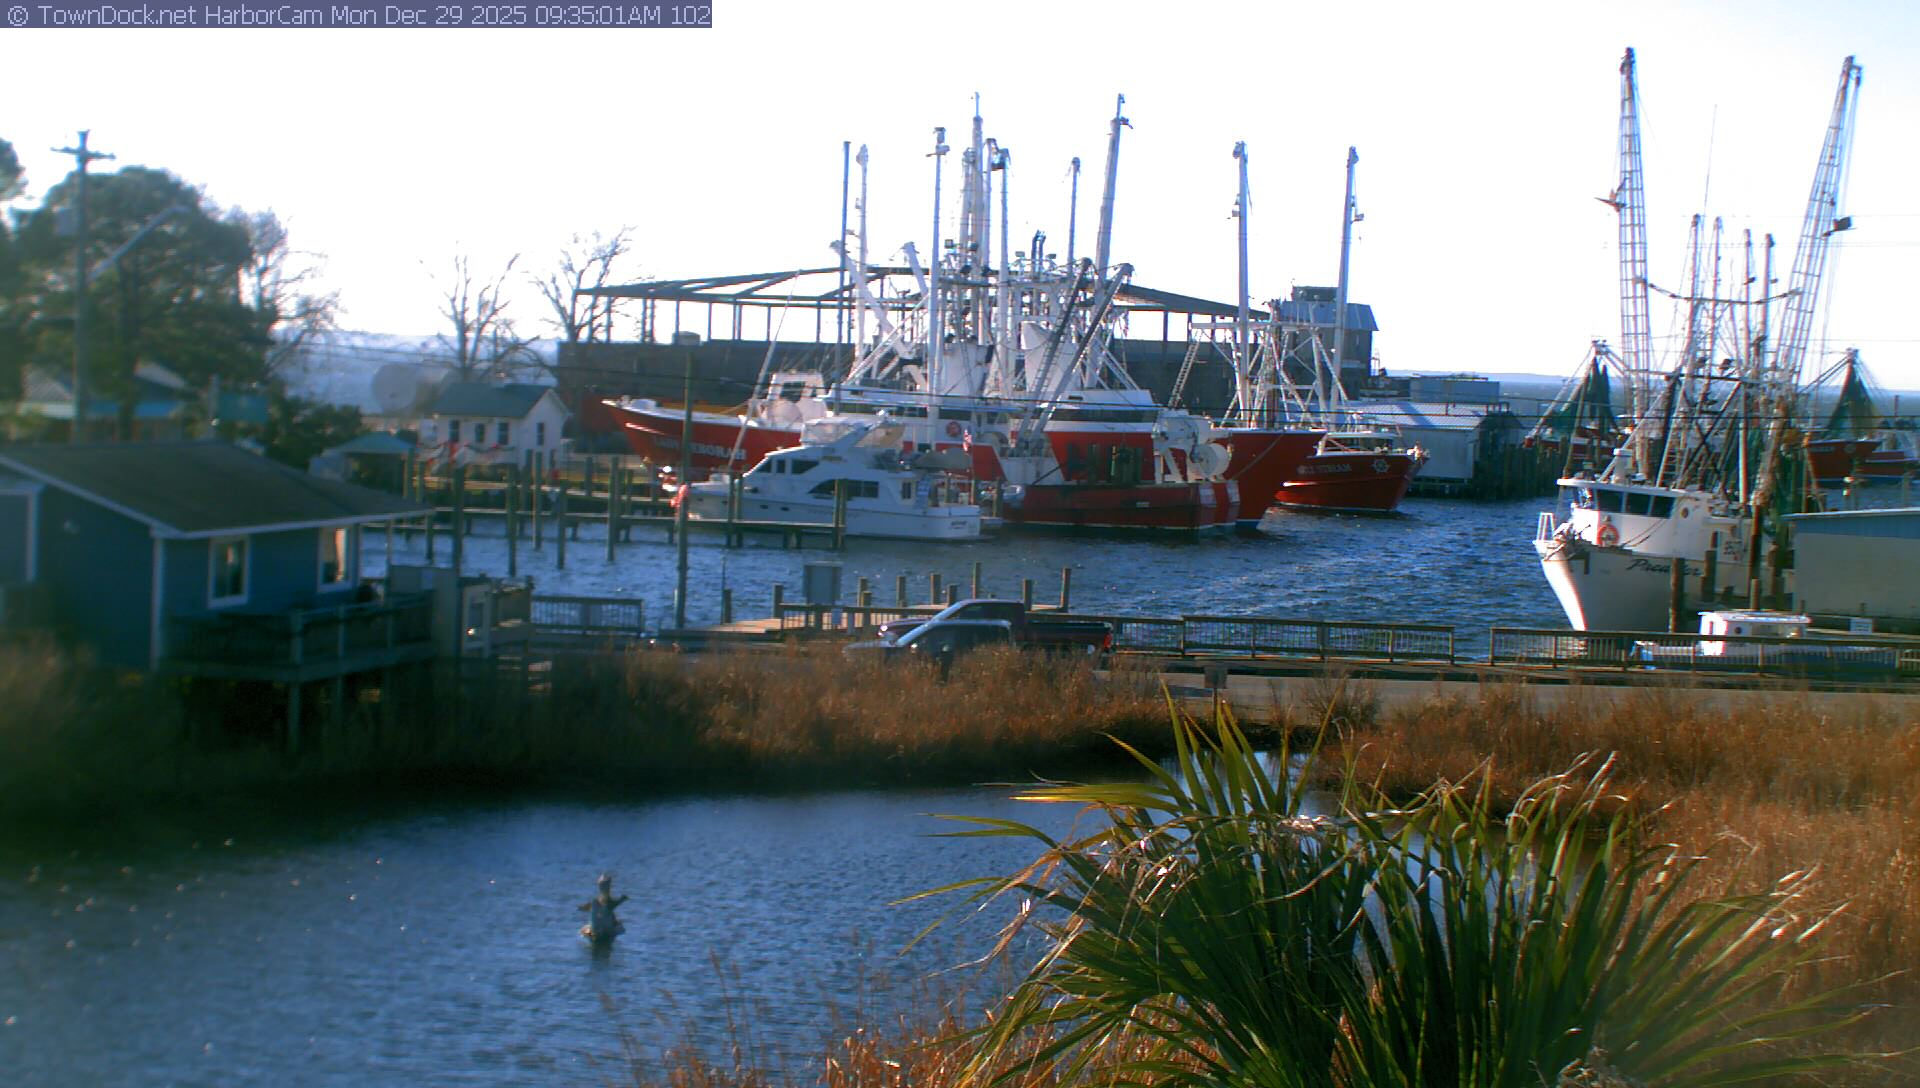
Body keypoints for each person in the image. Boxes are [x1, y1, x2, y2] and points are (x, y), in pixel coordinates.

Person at [578, 874, 629, 943]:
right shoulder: (598, 902)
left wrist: (621, 900)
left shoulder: (605, 901)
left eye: (604, 885)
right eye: (602, 885)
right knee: (597, 904)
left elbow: (611, 907)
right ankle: (597, 933)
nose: (603, 887)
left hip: (604, 925)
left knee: (602, 907)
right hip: (600, 925)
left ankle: (598, 933)